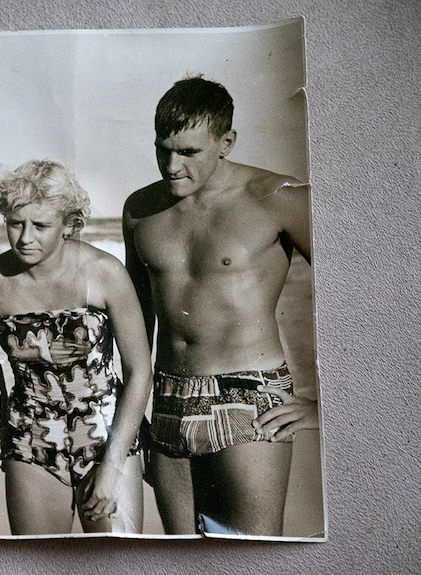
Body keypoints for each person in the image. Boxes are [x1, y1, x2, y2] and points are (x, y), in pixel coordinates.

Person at [122, 76, 319, 536]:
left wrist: (327, 402)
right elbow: (136, 321)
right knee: (185, 558)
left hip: (248, 392)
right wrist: (133, 412)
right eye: (163, 149)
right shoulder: (140, 209)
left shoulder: (279, 198)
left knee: (251, 557)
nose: (172, 166)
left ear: (226, 142)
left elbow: (362, 295)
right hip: (169, 396)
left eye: (189, 152)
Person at [0, 159, 152, 535]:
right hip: (28, 438)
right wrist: (1, 419)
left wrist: (114, 464)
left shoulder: (105, 273)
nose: (24, 237)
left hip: (105, 438)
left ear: (69, 226)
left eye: (40, 226)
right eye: (15, 223)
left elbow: (138, 371)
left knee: (118, 567)